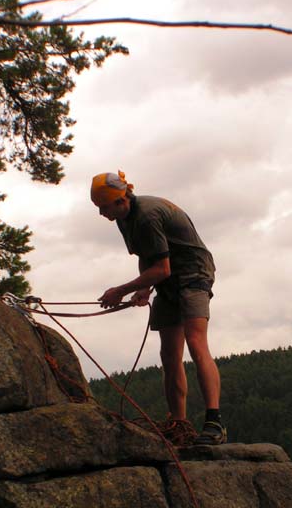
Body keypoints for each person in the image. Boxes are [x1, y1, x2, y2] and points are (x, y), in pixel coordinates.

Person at [90, 170, 226, 447]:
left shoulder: (148, 215)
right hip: (168, 278)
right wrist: (143, 288)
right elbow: (148, 256)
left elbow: (161, 268)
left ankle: (215, 423)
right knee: (169, 353)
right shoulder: (123, 218)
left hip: (193, 273)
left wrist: (121, 291)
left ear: (121, 200)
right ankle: (179, 424)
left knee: (196, 341)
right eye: (98, 207)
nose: (101, 213)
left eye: (104, 206)